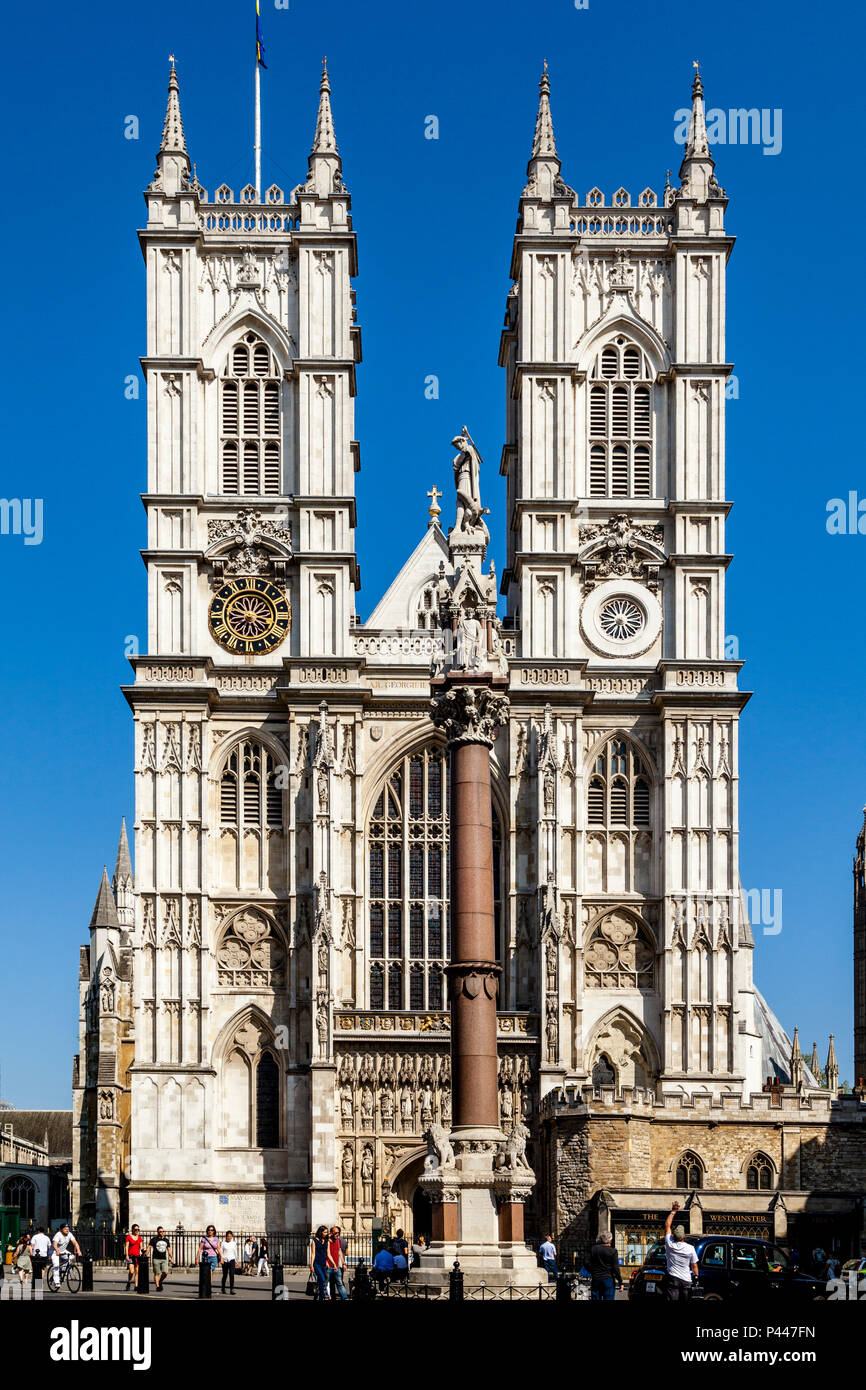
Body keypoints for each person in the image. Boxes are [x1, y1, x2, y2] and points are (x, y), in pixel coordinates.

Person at [663, 1202, 699, 1300]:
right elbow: (694, 1265)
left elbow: (667, 1225)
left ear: (673, 1236)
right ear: (684, 1237)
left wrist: (674, 1211)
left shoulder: (670, 1244)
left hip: (673, 1279)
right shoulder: (690, 1248)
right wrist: (696, 1277)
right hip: (686, 1280)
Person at [589, 1230, 623, 1301]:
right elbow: (615, 1268)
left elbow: (586, 1262)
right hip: (608, 1279)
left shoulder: (594, 1249)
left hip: (596, 1278)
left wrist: (593, 1272)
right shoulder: (613, 1251)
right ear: (610, 1241)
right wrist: (620, 1282)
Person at [327, 1225, 349, 1300]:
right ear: (331, 1233)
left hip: (336, 1266)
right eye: (336, 1233)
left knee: (339, 1283)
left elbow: (340, 1252)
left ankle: (345, 1298)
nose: (337, 1234)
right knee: (327, 1284)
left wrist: (343, 1263)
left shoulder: (338, 1241)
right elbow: (325, 1253)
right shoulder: (327, 1242)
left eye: (338, 1233)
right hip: (328, 1266)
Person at [310, 1225, 330, 1300]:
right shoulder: (314, 1241)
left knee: (321, 1281)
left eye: (327, 1232)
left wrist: (332, 1263)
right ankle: (322, 1297)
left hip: (323, 1264)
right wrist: (311, 1265)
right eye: (325, 1232)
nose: (326, 1233)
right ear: (320, 1232)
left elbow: (328, 1254)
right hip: (316, 1263)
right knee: (322, 1279)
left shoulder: (326, 1241)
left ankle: (316, 1295)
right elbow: (313, 1254)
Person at [124, 1224, 143, 1291]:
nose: (136, 1231)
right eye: (135, 1229)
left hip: (137, 1256)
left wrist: (143, 1250)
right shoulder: (128, 1237)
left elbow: (141, 1247)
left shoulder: (140, 1237)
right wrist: (126, 1255)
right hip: (131, 1256)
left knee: (137, 1272)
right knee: (131, 1271)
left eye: (138, 1229)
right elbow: (126, 1246)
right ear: (132, 1230)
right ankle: (129, 1282)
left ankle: (136, 1286)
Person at [220, 1230, 239, 1294]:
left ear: (232, 1237)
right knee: (225, 1275)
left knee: (232, 1275)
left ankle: (232, 1289)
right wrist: (221, 1259)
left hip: (232, 1260)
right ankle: (223, 1288)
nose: (229, 1238)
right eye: (228, 1236)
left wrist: (237, 1261)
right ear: (226, 1236)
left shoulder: (234, 1243)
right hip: (225, 1260)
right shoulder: (223, 1243)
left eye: (230, 1236)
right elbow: (221, 1252)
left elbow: (235, 1252)